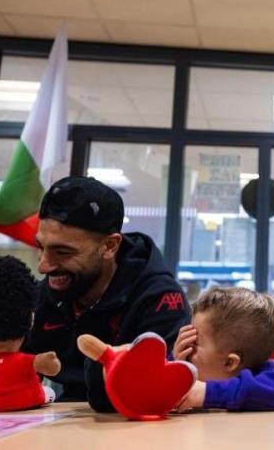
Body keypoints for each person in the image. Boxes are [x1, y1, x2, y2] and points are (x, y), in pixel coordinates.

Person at [24, 176, 191, 412]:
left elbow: (150, 390)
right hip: (66, 417)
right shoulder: (48, 293)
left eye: (62, 252)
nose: (43, 266)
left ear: (110, 246)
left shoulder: (160, 299)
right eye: (41, 247)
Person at [173, 287, 274, 411]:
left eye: (193, 344)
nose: (186, 349)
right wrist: (175, 367)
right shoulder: (189, 365)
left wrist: (208, 393)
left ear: (230, 362)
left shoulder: (266, 380)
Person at [0, 256, 61, 411]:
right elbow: (52, 367)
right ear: (29, 318)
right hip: (25, 400)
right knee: (49, 392)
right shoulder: (24, 360)